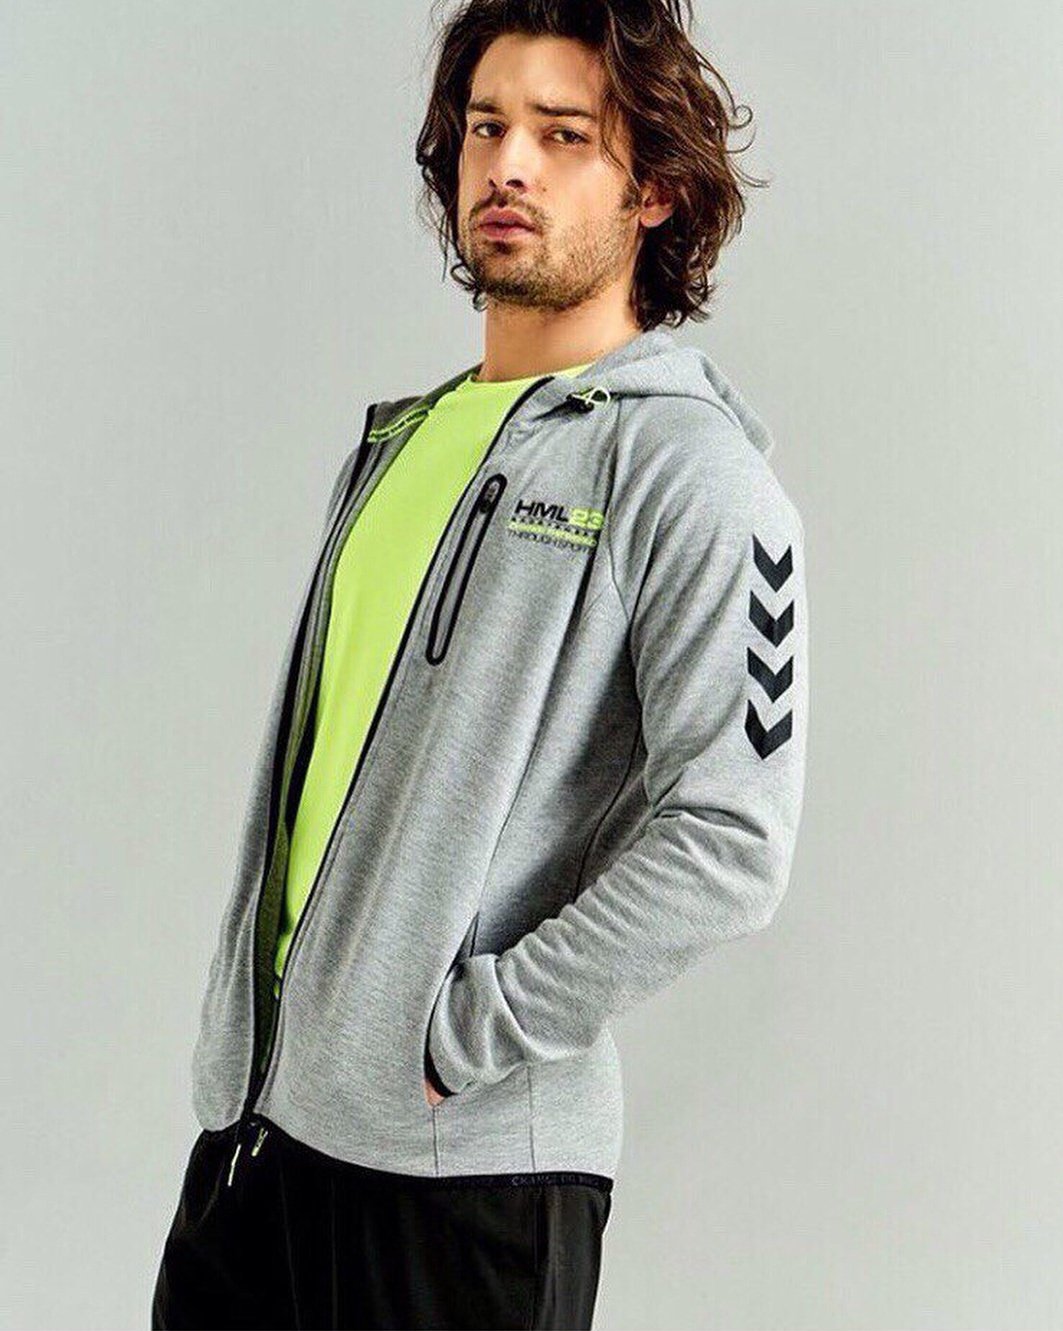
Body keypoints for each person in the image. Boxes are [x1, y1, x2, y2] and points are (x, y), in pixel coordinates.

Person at [151, 1, 808, 1326]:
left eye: (563, 136)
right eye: (485, 127)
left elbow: (732, 840)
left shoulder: (689, 474)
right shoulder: (403, 444)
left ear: (654, 192)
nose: (507, 164)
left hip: (466, 1180)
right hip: (260, 1144)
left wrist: (466, 1036)